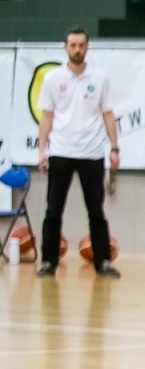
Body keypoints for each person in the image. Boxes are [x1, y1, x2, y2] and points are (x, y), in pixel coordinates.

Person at [36, 28, 120, 278]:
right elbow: (47, 115)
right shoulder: (53, 78)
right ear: (65, 47)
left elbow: (108, 114)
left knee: (96, 210)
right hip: (60, 151)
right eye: (72, 45)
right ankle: (48, 261)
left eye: (81, 45)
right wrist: (42, 150)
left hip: (92, 153)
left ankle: (103, 261)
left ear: (87, 47)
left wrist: (114, 148)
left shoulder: (100, 77)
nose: (77, 49)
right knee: (53, 209)